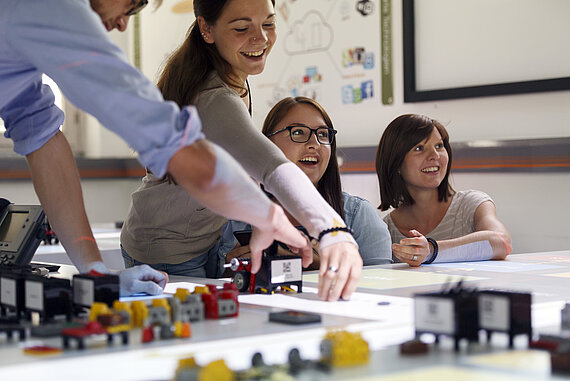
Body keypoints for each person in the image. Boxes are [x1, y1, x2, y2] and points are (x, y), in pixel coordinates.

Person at [0, 0, 310, 296]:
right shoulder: (45, 7)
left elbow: (42, 136)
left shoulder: (19, 42)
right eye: (132, 3)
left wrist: (94, 270)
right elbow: (170, 143)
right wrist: (268, 214)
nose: (123, 23)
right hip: (167, 243)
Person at [120, 0, 363, 301]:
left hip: (194, 237)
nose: (260, 38)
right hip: (168, 248)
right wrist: (333, 231)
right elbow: (273, 166)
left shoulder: (231, 75)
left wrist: (264, 217)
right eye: (241, 28)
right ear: (206, 29)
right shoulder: (215, 97)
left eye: (269, 24)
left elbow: (239, 158)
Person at [219, 97, 392, 271]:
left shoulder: (358, 214)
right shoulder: (235, 217)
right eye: (298, 132)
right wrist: (228, 269)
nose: (314, 144)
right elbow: (209, 281)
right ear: (267, 143)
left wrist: (312, 264)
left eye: (323, 134)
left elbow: (382, 285)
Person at [375, 114, 512, 266]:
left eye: (439, 146)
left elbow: (502, 242)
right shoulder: (385, 228)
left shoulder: (472, 204)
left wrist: (431, 250)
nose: (435, 155)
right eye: (419, 148)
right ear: (396, 164)